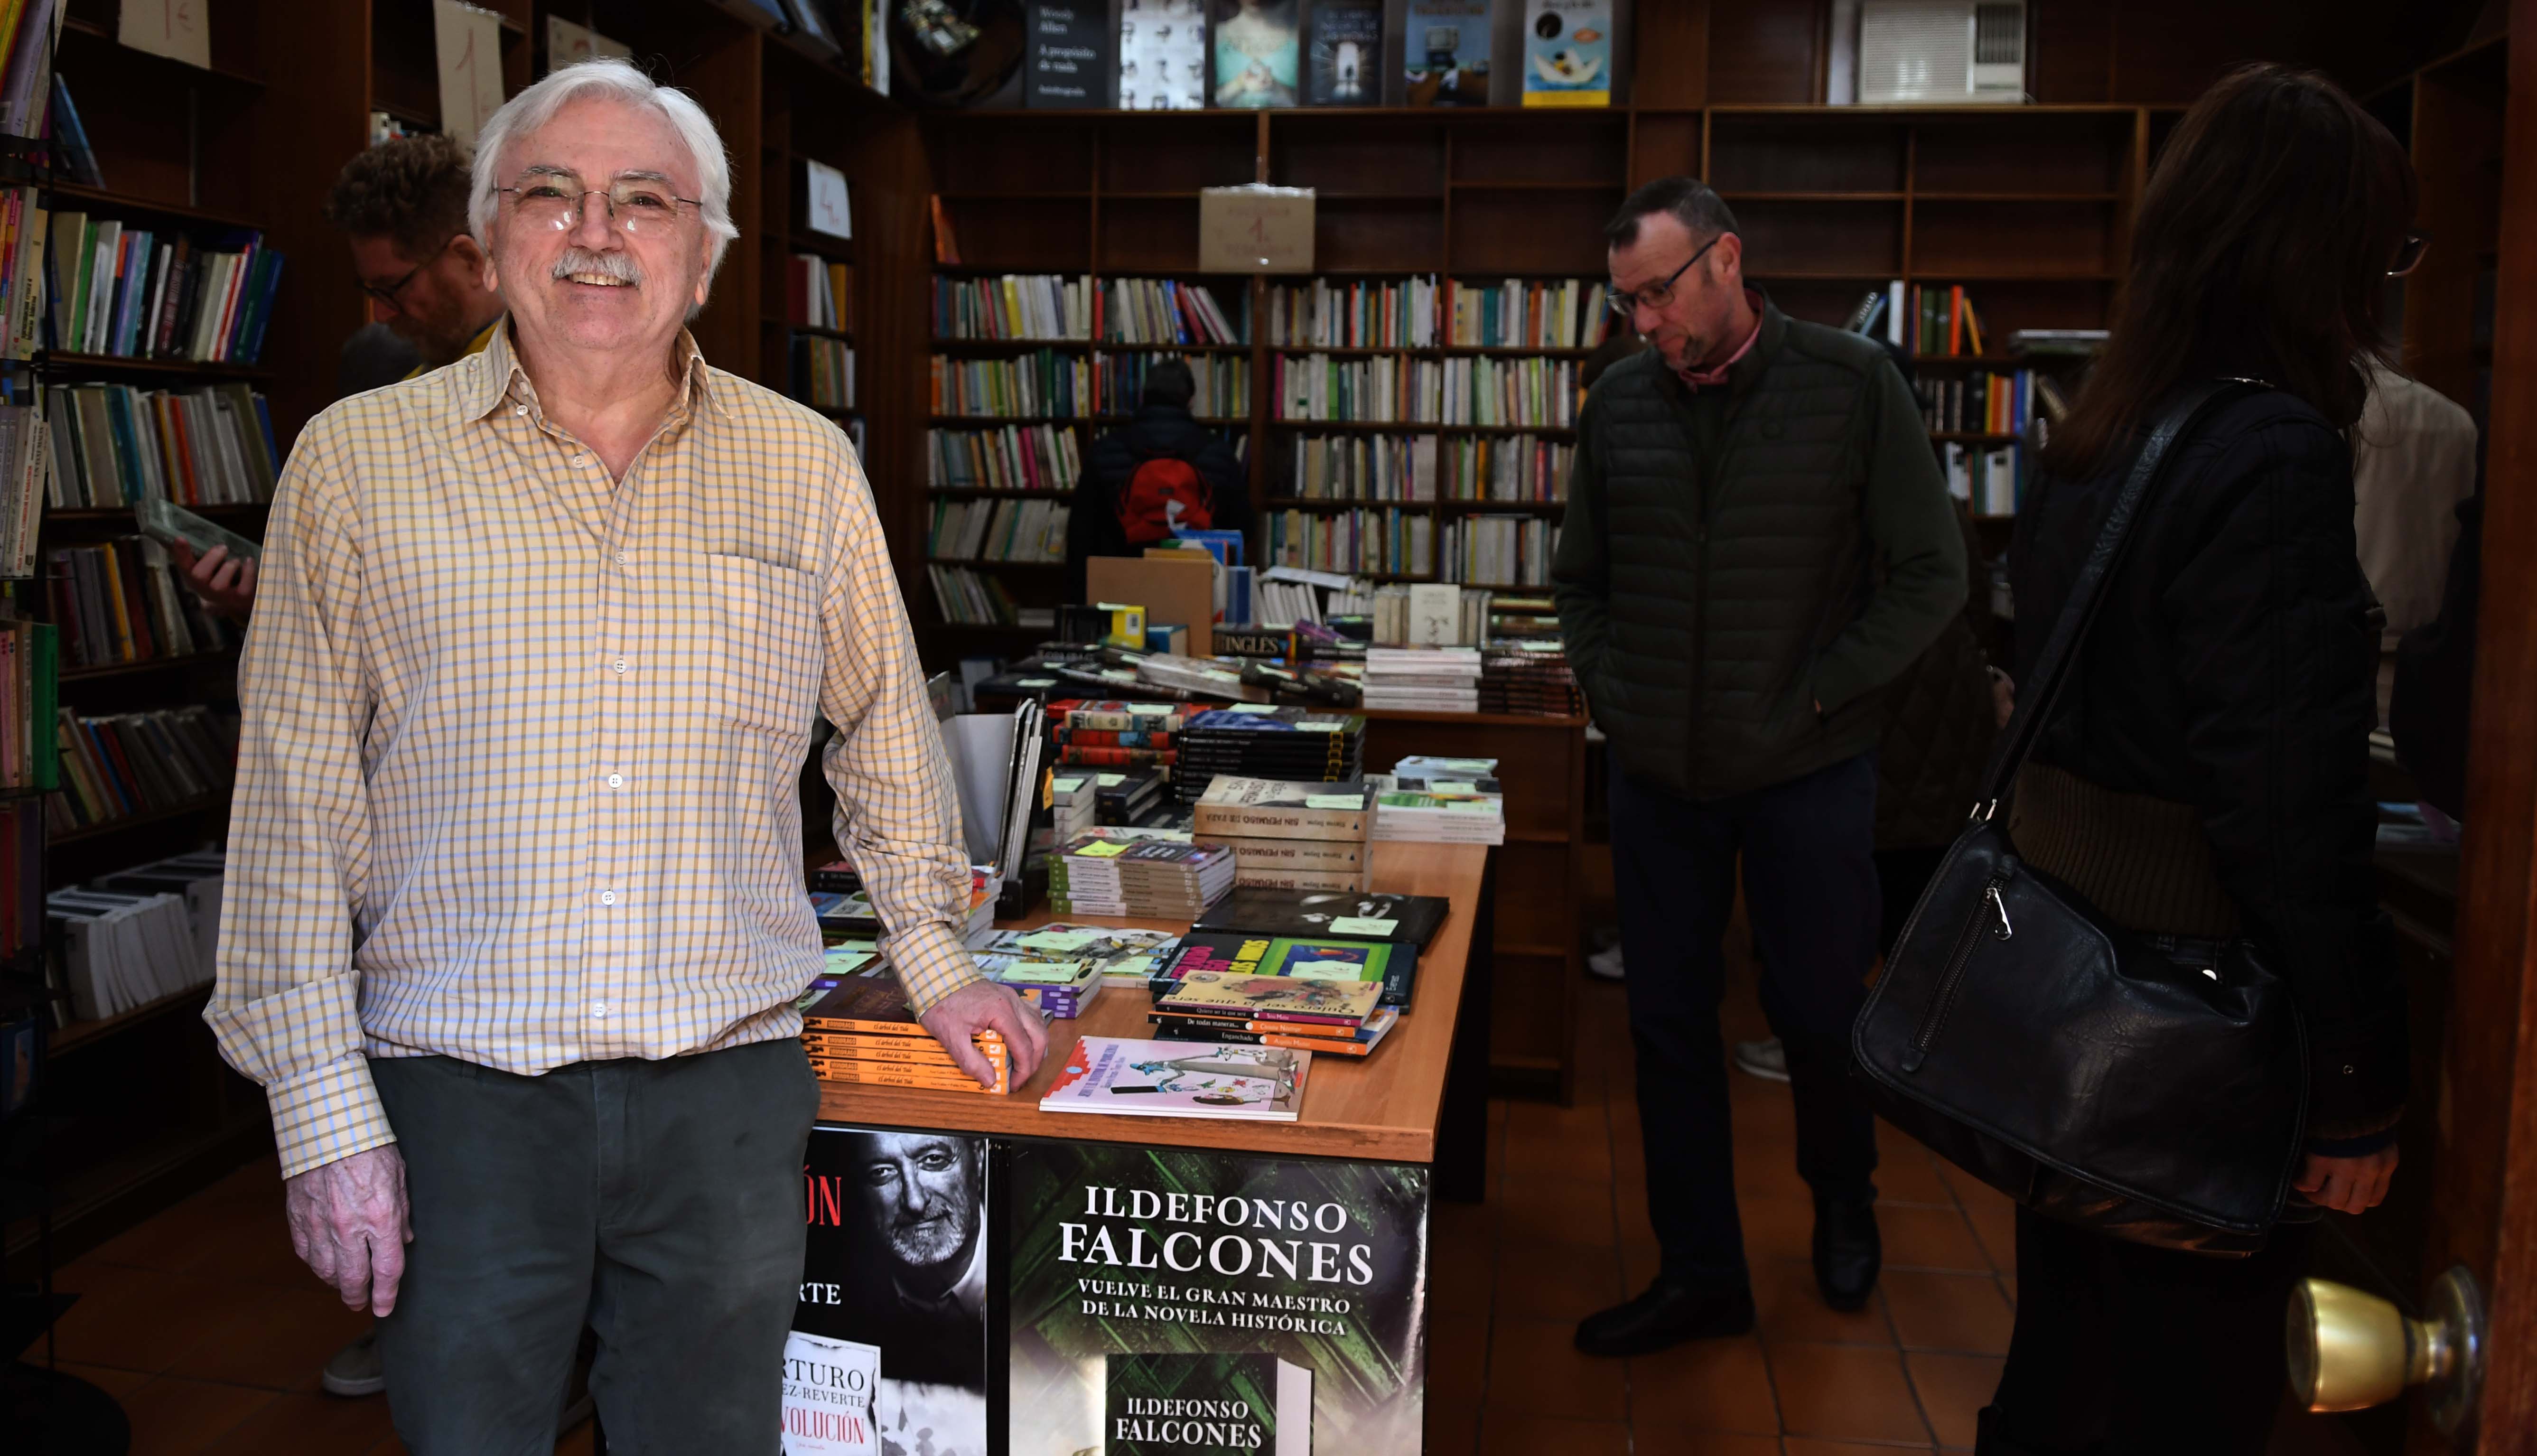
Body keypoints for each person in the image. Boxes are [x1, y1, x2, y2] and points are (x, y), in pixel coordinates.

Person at [202, 59, 1048, 1453]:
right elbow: (294, 798)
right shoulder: (355, 465)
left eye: (645, 200)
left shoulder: (803, 465)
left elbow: (884, 727)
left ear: (703, 252)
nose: (598, 232)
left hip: (727, 1091)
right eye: (553, 193)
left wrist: (937, 956)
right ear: (490, 238)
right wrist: (318, 1108)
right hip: (458, 1090)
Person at [1981, 64, 2411, 1453]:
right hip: (2195, 1015)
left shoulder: (2105, 426)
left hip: (2071, 984)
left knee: (2065, 1358)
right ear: (2322, 250)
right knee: (2185, 1389)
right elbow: (2284, 806)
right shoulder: (2268, 449)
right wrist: (2354, 1075)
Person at [1555, 177, 1968, 1356]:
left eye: (1658, 294)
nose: (1644, 322)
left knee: (1819, 1013)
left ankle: (1844, 1202)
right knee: (1665, 1026)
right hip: (1659, 776)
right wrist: (1617, 694)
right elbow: (1579, 583)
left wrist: (1826, 691)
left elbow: (1931, 575)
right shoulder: (1617, 402)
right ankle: (1700, 1272)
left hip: (1808, 770)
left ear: (1726, 260)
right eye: (1626, 302)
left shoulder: (1852, 384)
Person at [171, 133, 511, 626]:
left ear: (470, 261)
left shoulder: (538, 383)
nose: (381, 314)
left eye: (393, 287)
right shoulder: (391, 387)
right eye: (371, 291)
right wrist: (265, 605)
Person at [1066, 356, 1249, 601]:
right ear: (1191, 400)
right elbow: (1241, 529)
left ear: (1144, 397)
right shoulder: (1219, 453)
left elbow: (1081, 537)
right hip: (1196, 590)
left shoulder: (1105, 450)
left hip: (1122, 590)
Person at [841, 1131, 989, 1389]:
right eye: (882, 1172)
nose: (915, 1202)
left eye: (934, 1160)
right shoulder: (848, 1303)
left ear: (978, 1158)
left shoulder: (1035, 1263)